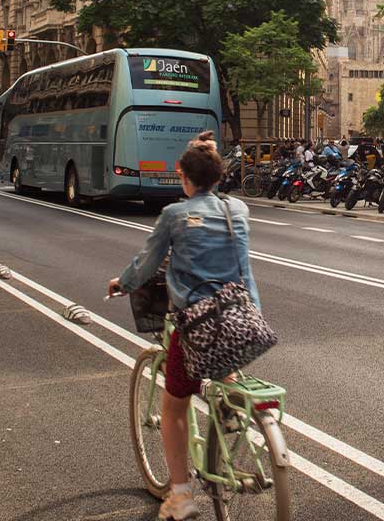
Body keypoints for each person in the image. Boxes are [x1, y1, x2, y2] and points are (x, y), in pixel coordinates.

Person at [108, 131, 259, 521]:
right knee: (223, 362)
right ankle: (229, 407)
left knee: (173, 408)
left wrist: (123, 283)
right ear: (219, 176)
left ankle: (180, 496)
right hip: (242, 319)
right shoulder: (238, 210)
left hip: (196, 325)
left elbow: (146, 263)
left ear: (183, 176)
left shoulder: (174, 215)